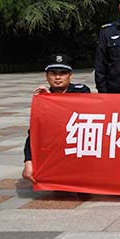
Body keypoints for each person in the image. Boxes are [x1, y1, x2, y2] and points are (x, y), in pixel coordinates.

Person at [22, 54, 91, 183]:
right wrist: (28, 161)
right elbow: (35, 133)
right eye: (53, 73)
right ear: (46, 76)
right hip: (56, 153)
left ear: (70, 75)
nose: (58, 77)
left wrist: (52, 100)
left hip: (79, 151)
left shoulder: (81, 91)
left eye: (63, 73)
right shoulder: (42, 98)